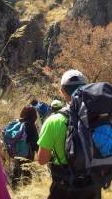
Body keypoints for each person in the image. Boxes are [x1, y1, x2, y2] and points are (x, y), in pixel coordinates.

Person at [37, 69, 102, 199]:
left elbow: (42, 160)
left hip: (63, 186)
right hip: (91, 186)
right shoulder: (98, 117)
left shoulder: (53, 121)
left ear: (62, 91)